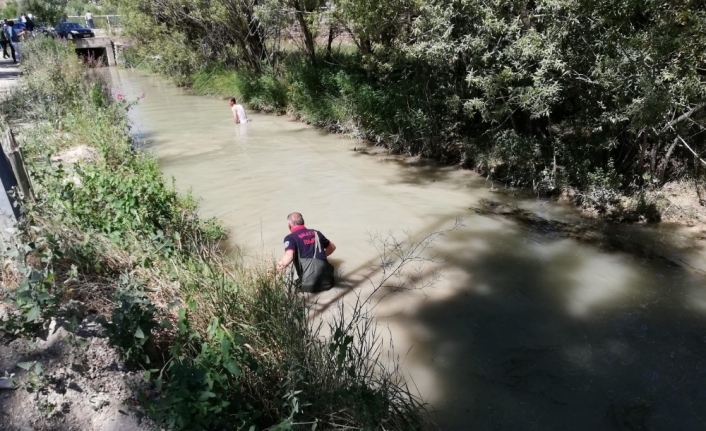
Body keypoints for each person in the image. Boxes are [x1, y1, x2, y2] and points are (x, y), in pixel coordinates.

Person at [277, 212, 336, 292]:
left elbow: (288, 257)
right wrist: (322, 256)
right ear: (303, 222)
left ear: (289, 226)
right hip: (329, 282)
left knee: (295, 291)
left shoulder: (290, 238)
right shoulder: (316, 233)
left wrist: (275, 271)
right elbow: (332, 247)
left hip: (309, 285)